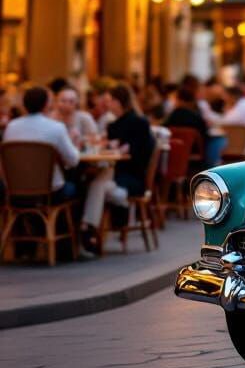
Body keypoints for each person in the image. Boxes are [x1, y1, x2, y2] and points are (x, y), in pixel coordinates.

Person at [80, 84, 155, 254]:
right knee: (96, 183)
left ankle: (88, 229)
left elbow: (137, 155)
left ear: (120, 102)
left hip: (132, 177)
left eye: (110, 101)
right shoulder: (114, 125)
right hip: (115, 174)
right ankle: (91, 227)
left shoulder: (138, 122)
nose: (107, 105)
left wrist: (119, 147)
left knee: (98, 185)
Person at [2, 85, 79, 198]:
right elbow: (73, 161)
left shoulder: (11, 126)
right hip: (50, 193)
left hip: (15, 192)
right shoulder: (56, 127)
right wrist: (74, 142)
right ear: (47, 105)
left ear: (24, 105)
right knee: (78, 186)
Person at [164, 76, 209, 157]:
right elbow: (205, 135)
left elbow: (165, 131)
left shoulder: (172, 116)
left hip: (174, 151)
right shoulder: (197, 117)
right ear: (192, 100)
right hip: (195, 152)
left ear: (178, 99)